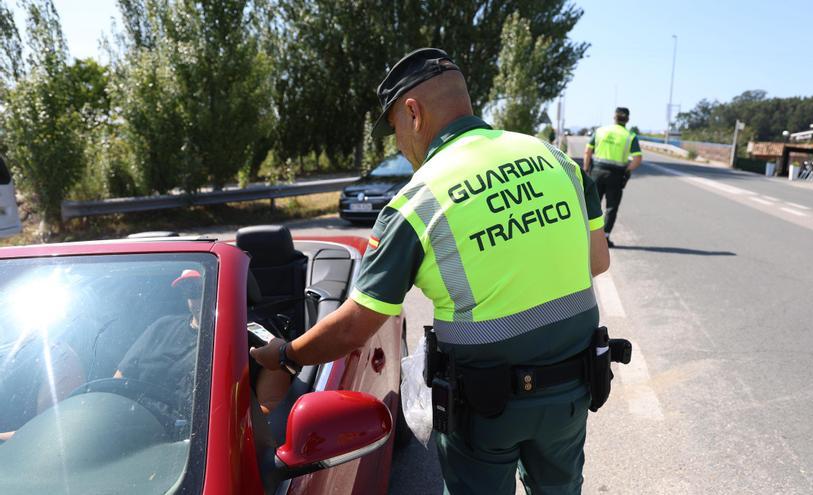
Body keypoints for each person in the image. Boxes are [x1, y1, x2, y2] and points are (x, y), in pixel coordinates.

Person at [252, 48, 609, 494]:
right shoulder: (557, 161)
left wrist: (285, 356)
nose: (400, 145)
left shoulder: (417, 202)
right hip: (571, 394)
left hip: (485, 411)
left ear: (413, 113)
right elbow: (597, 262)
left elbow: (354, 328)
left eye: (396, 130)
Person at [117, 269, 291, 414]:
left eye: (205, 288)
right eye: (191, 290)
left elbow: (270, 412)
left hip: (197, 445)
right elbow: (117, 384)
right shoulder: (160, 327)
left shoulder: (261, 341)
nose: (199, 298)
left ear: (227, 289)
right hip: (136, 427)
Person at [584, 107, 643, 247]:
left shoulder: (600, 131)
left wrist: (586, 169)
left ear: (614, 117)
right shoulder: (630, 136)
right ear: (627, 119)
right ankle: (604, 238)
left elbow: (588, 151)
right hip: (616, 175)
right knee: (611, 207)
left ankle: (586, 236)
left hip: (597, 172)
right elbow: (637, 159)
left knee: (591, 204)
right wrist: (627, 171)